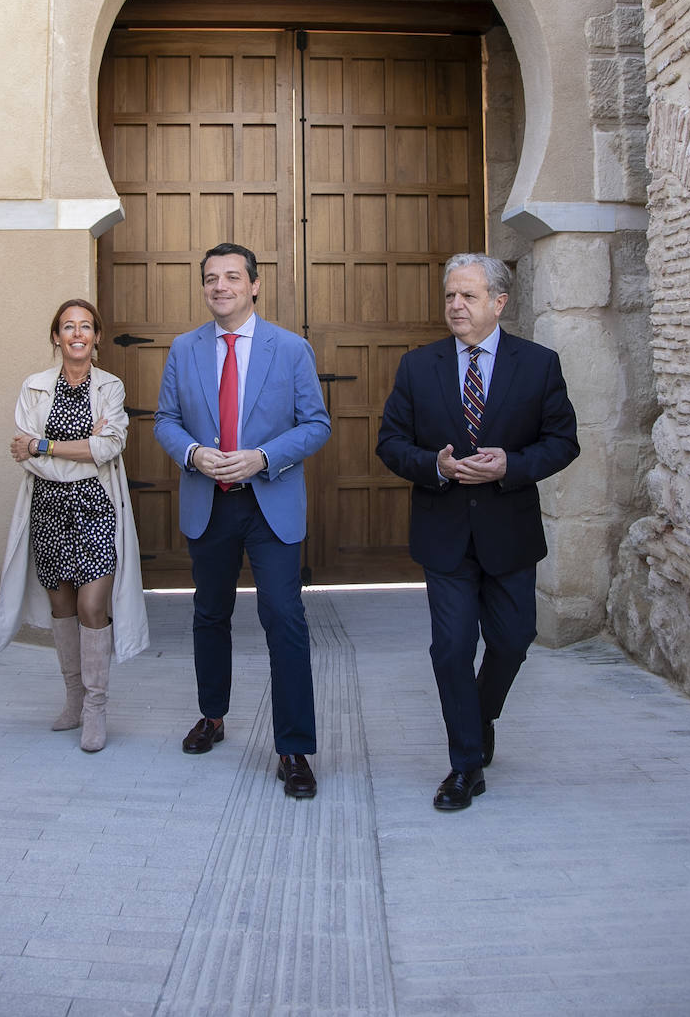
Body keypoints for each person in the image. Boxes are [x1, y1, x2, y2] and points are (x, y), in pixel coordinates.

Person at [376, 253, 579, 811]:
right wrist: (434, 466)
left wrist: (511, 465)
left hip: (509, 532)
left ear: (499, 303)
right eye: (449, 296)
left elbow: (563, 442)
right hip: (443, 534)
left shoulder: (538, 365)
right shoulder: (419, 367)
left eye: (468, 296)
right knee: (452, 649)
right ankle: (465, 766)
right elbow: (390, 443)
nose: (456, 306)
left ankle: (479, 714)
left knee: (513, 640)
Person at [154, 243, 331, 799]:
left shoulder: (292, 348)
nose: (221, 286)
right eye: (211, 278)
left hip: (269, 503)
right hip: (209, 504)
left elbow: (316, 424)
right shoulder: (184, 350)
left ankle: (294, 748)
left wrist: (264, 457)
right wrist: (191, 454)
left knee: (285, 619)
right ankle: (212, 715)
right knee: (209, 614)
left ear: (254, 286)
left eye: (232, 277)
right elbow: (166, 420)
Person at [0, 298, 149, 752]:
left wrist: (44, 445)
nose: (77, 334)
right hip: (48, 509)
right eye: (68, 327)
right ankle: (73, 699)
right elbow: (28, 457)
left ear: (97, 336)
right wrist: (75, 447)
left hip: (96, 507)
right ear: (56, 337)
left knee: (92, 607)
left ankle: (97, 708)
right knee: (61, 605)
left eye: (86, 327)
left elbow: (108, 448)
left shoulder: (111, 387)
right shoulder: (34, 386)